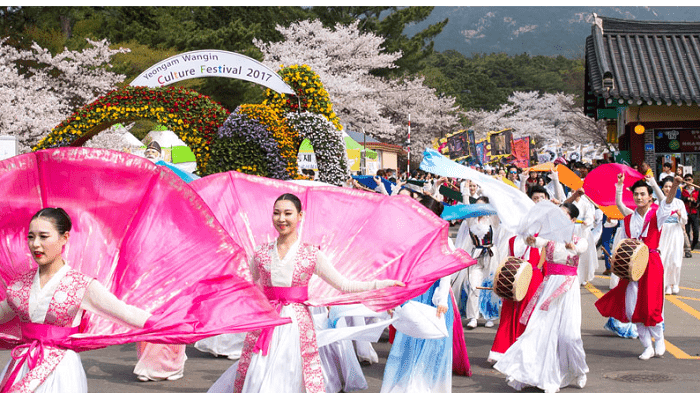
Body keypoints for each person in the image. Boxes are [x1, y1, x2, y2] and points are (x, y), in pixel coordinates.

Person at [208, 193, 404, 393]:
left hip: (297, 325)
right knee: (259, 371)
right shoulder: (261, 252)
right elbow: (244, 283)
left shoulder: (311, 254)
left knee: (291, 372)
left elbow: (344, 285)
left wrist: (383, 284)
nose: (281, 219)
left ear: (300, 216)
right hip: (267, 323)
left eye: (287, 213)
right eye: (276, 213)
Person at [0, 208, 152, 392]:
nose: (35, 244)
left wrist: (173, 324)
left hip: (61, 369)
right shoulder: (19, 286)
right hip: (23, 364)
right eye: (31, 237)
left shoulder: (80, 285)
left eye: (44, 236)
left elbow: (126, 313)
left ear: (64, 238)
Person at [494, 203, 589, 393]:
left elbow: (581, 248)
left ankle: (580, 370)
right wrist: (528, 237)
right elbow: (534, 242)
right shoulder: (549, 238)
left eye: (563, 215)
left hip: (567, 288)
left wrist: (573, 246)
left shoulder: (580, 239)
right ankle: (536, 374)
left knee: (569, 336)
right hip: (548, 286)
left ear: (571, 220)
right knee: (539, 330)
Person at [380, 195, 470, 393]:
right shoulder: (411, 237)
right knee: (407, 341)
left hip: (434, 296)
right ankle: (406, 384)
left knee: (432, 345)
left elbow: (446, 271)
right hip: (412, 292)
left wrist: (441, 298)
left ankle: (426, 386)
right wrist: (395, 295)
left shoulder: (444, 238)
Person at [595, 173, 682, 360]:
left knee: (652, 306)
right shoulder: (629, 216)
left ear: (650, 197)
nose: (639, 197)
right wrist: (619, 186)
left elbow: (668, 201)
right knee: (633, 307)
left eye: (642, 194)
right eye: (636, 194)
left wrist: (674, 184)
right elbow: (619, 205)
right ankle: (646, 346)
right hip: (631, 265)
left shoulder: (657, 215)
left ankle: (659, 339)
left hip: (651, 262)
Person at [136, 139, 189, 382]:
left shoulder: (178, 215)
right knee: (146, 310)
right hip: (148, 271)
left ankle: (171, 365)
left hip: (173, 270)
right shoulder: (141, 214)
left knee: (172, 311)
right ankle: (147, 364)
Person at [488, 229, 544, 363]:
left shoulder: (538, 239)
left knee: (527, 315)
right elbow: (508, 260)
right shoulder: (512, 240)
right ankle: (502, 351)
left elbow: (543, 258)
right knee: (509, 314)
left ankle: (524, 352)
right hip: (514, 280)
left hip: (532, 278)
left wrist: (535, 273)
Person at [453, 196, 501, 329]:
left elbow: (496, 207)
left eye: (482, 206)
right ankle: (473, 317)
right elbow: (466, 203)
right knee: (473, 285)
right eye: (476, 205)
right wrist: (466, 190)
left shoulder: (492, 219)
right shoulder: (471, 220)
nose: (478, 208)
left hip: (490, 255)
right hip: (475, 255)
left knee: (490, 285)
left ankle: (489, 316)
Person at [657, 177, 687, 295]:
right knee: (664, 259)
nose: (668, 189)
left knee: (675, 260)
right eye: (666, 187)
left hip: (675, 232)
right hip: (663, 233)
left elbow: (684, 220)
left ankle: (675, 283)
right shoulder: (659, 202)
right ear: (663, 189)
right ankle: (667, 284)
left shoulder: (679, 203)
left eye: (670, 186)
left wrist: (680, 215)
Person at [681, 173, 699, 257]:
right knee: (687, 232)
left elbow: (699, 201)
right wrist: (687, 199)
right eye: (686, 180)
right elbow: (680, 199)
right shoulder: (682, 190)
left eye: (689, 179)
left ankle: (692, 246)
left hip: (694, 213)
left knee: (696, 233)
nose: (688, 181)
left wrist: (695, 202)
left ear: (692, 180)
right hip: (686, 213)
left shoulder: (697, 190)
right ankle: (688, 250)